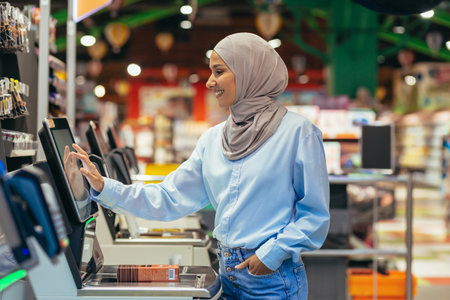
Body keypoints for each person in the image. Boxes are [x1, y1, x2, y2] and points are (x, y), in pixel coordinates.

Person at [70, 32, 330, 300]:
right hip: (226, 271)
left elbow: (315, 216)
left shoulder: (298, 133)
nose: (209, 82)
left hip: (272, 278)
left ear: (249, 71)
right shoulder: (213, 139)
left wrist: (270, 255)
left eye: (219, 71)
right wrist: (103, 186)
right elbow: (168, 197)